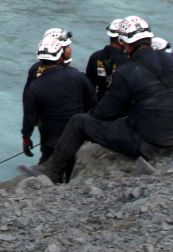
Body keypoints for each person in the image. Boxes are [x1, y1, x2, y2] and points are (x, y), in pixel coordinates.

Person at [25, 16, 173, 183]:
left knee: (79, 121)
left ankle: (51, 170)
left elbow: (104, 113)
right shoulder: (170, 58)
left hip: (148, 143)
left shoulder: (127, 71)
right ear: (150, 38)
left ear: (125, 44)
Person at [22, 29, 95, 181]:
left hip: (49, 136)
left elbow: (29, 113)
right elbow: (92, 102)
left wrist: (26, 137)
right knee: (71, 167)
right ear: (60, 54)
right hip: (77, 135)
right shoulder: (77, 76)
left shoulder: (35, 85)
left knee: (49, 163)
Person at [22, 27, 74, 101]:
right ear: (59, 50)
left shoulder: (36, 69)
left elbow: (27, 98)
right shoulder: (73, 75)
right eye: (67, 47)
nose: (70, 49)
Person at [85, 18, 129, 100]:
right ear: (121, 39)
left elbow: (88, 88)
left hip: (98, 105)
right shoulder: (128, 60)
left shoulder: (95, 57)